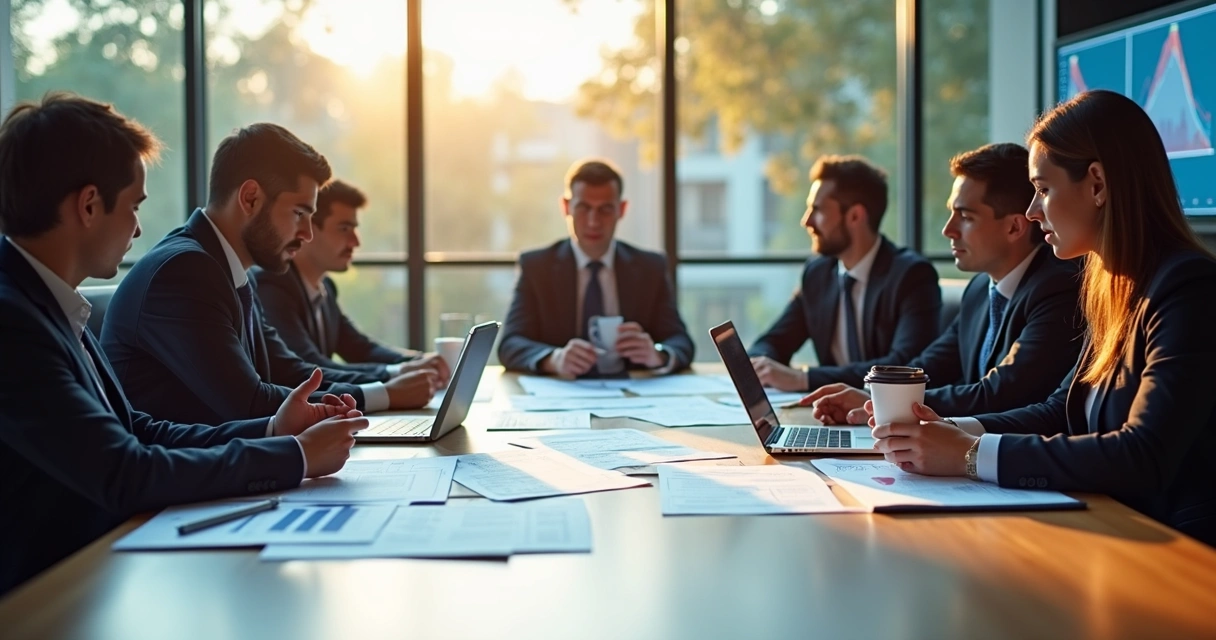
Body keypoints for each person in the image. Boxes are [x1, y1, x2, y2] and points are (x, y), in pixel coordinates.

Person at [0, 93, 367, 594]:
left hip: (101, 566)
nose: (138, 227)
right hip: (52, 591)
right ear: (89, 205)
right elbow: (125, 472)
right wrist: (294, 457)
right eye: (133, 206)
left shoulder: (48, 301)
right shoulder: (12, 321)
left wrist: (273, 430)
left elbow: (135, 429)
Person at [866, 90, 1216, 546]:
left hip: (1174, 547)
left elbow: (1143, 453)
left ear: (1097, 184)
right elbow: (1062, 410)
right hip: (1108, 527)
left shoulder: (1188, 289)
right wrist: (951, 431)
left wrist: (971, 455)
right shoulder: (1114, 283)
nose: (1032, 211)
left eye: (1044, 190)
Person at [101, 124, 438, 425]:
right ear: (250, 198)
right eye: (298, 213)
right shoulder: (186, 271)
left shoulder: (230, 268)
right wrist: (385, 396)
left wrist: (383, 391)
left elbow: (287, 370)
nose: (307, 233)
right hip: (183, 485)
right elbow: (248, 402)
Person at [803, 143, 1082, 423]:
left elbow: (1001, 392)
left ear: (1014, 227)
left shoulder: (1058, 287)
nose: (948, 229)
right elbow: (929, 366)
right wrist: (871, 395)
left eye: (965, 216)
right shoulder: (979, 290)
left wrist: (889, 404)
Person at [748, 155, 941, 391]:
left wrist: (803, 378)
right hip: (834, 415)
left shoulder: (912, 276)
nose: (806, 221)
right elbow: (773, 341)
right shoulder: (818, 272)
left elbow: (904, 366)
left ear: (855, 216)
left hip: (886, 418)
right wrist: (762, 365)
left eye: (817, 210)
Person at [498, 158, 694, 377]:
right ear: (566, 207)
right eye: (583, 208)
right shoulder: (537, 267)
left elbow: (681, 342)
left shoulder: (649, 268)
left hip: (634, 395)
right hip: (561, 397)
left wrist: (658, 354)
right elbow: (510, 344)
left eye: (605, 209)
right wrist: (554, 359)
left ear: (622, 209)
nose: (593, 221)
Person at [253, 180, 448, 381]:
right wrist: (397, 373)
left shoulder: (325, 288)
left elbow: (360, 348)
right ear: (307, 229)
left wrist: (419, 361)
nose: (356, 241)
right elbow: (311, 368)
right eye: (344, 229)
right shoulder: (273, 287)